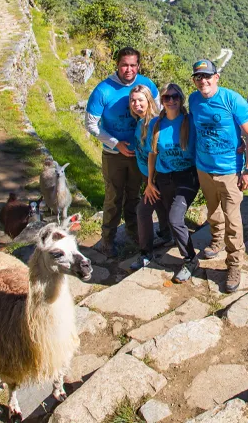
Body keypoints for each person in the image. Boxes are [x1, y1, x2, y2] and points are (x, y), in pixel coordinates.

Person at [188, 58, 248, 293]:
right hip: (204, 167)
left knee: (233, 220)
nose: (203, 81)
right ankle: (216, 240)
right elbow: (195, 131)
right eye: (198, 77)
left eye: (207, 76)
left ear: (216, 77)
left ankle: (234, 265)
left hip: (230, 170)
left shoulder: (232, 99)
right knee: (212, 209)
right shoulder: (194, 99)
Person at [85, 47, 159, 256]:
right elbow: (91, 123)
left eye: (133, 65)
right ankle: (107, 239)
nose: (129, 69)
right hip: (113, 154)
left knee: (135, 195)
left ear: (139, 66)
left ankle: (134, 232)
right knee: (113, 196)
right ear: (117, 64)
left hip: (140, 153)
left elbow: (158, 113)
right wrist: (115, 143)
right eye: (124, 64)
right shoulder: (103, 90)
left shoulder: (147, 85)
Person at [141, 83, 201, 283]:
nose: (172, 101)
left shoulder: (190, 121)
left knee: (176, 218)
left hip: (187, 176)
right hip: (164, 176)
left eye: (175, 97)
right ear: (162, 101)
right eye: (167, 98)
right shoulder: (156, 125)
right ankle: (147, 251)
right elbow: (152, 154)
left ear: (181, 99)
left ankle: (190, 259)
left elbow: (212, 131)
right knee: (165, 216)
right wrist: (150, 182)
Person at [128, 85, 169, 270]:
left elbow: (157, 153)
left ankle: (146, 253)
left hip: (157, 176)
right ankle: (167, 235)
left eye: (140, 100)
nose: (136, 104)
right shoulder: (141, 121)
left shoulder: (154, 123)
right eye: (133, 101)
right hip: (148, 175)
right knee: (159, 206)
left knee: (143, 211)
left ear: (149, 101)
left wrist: (151, 182)